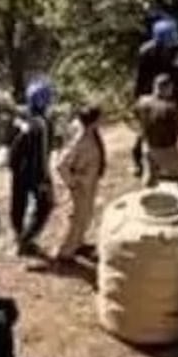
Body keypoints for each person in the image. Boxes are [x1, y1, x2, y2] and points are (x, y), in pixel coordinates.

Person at [132, 19, 178, 179]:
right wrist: (140, 101)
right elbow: (140, 79)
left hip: (174, 95)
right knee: (145, 131)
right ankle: (140, 162)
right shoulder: (147, 52)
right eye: (166, 42)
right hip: (151, 97)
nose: (169, 45)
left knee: (172, 128)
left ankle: (171, 159)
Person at [6, 79, 55, 257]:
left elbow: (8, 141)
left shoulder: (19, 117)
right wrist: (43, 179)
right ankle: (26, 241)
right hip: (35, 172)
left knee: (18, 203)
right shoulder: (42, 124)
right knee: (46, 204)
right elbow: (42, 155)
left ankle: (18, 234)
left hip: (17, 170)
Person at [55, 105, 106, 261]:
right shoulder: (80, 140)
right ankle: (65, 252)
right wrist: (73, 183)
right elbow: (61, 164)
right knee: (76, 218)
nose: (103, 119)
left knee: (86, 215)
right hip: (80, 186)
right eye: (100, 117)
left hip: (89, 183)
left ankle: (78, 243)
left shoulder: (91, 133)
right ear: (93, 121)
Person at [135, 74, 178, 182]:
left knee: (150, 175)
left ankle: (149, 185)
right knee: (176, 174)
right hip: (166, 147)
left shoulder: (142, 101)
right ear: (167, 88)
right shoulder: (169, 107)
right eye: (171, 88)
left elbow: (136, 117)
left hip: (148, 144)